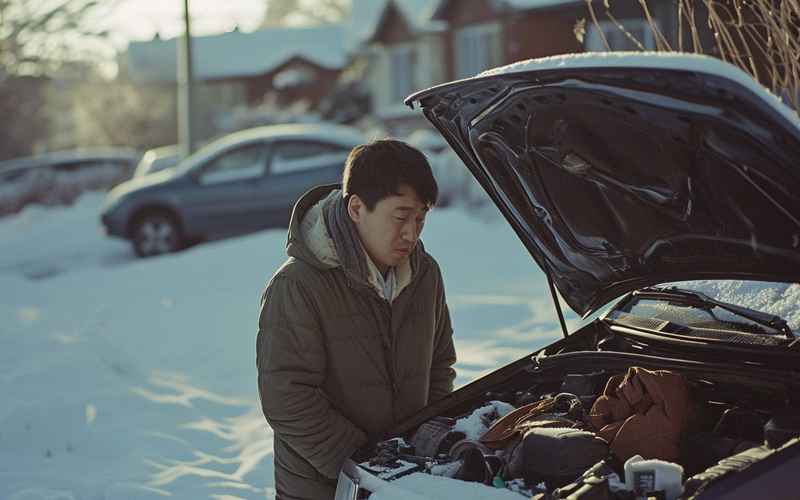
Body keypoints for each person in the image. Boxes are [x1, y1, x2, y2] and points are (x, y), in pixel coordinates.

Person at [256, 139, 457, 499]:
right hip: (323, 488)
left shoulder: (426, 274)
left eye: (420, 219)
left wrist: (426, 441)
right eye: (401, 217)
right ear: (357, 208)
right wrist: (365, 465)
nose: (411, 233)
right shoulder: (298, 285)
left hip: (404, 481)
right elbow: (286, 397)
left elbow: (440, 364)